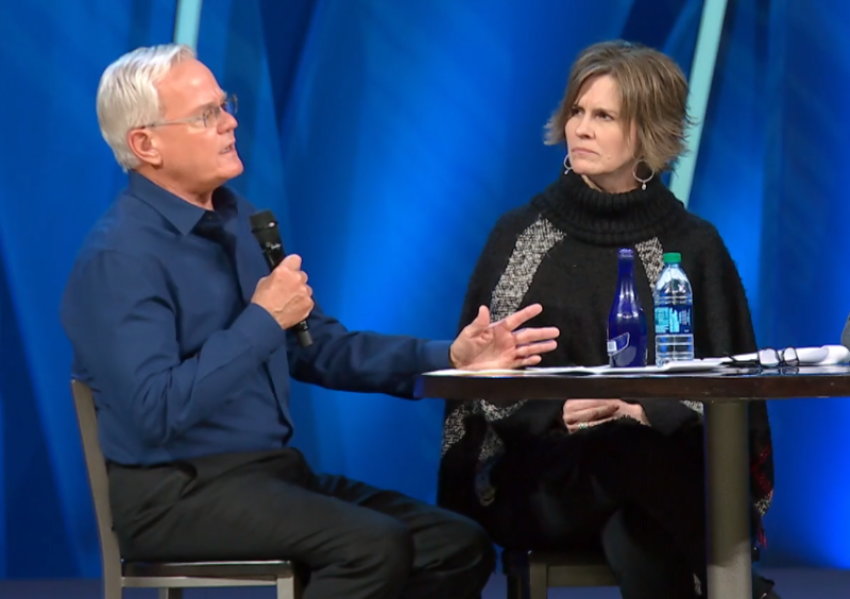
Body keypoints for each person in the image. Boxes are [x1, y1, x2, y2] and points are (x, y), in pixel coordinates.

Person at [60, 43, 563, 599]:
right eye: (206, 115)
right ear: (145, 144)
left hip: (271, 475)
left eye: (225, 104)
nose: (230, 122)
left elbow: (316, 346)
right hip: (176, 491)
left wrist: (451, 357)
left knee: (456, 545)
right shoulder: (120, 258)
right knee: (370, 546)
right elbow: (155, 412)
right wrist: (261, 318)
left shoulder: (242, 220)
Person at [437, 41, 778, 599]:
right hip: (540, 478)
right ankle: (753, 591)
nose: (582, 128)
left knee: (640, 528)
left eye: (604, 116)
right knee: (623, 450)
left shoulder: (694, 246)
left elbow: (736, 385)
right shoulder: (520, 235)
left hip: (663, 477)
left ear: (648, 132)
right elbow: (478, 388)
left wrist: (646, 409)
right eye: (577, 110)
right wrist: (557, 412)